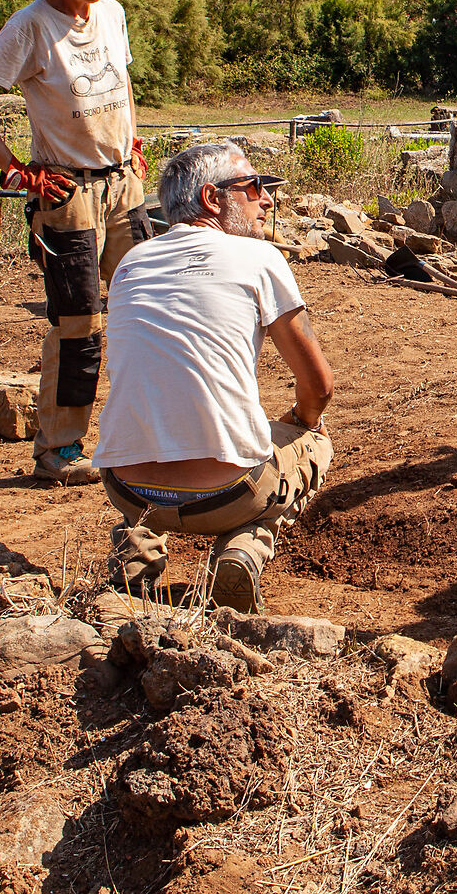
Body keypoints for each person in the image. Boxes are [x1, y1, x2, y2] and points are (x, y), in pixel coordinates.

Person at [0, 0, 150, 485]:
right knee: (79, 322)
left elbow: (122, 82)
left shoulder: (112, 14)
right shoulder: (30, 26)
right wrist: (16, 169)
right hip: (67, 191)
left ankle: (148, 431)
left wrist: (132, 138)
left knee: (150, 301)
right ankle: (59, 449)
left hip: (123, 182)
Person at [94, 141, 334, 610]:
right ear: (211, 198)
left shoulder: (129, 264)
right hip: (229, 496)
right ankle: (245, 547)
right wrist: (303, 421)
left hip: (127, 490)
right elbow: (320, 386)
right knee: (316, 443)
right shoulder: (259, 258)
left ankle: (136, 551)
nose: (267, 199)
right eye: (254, 187)